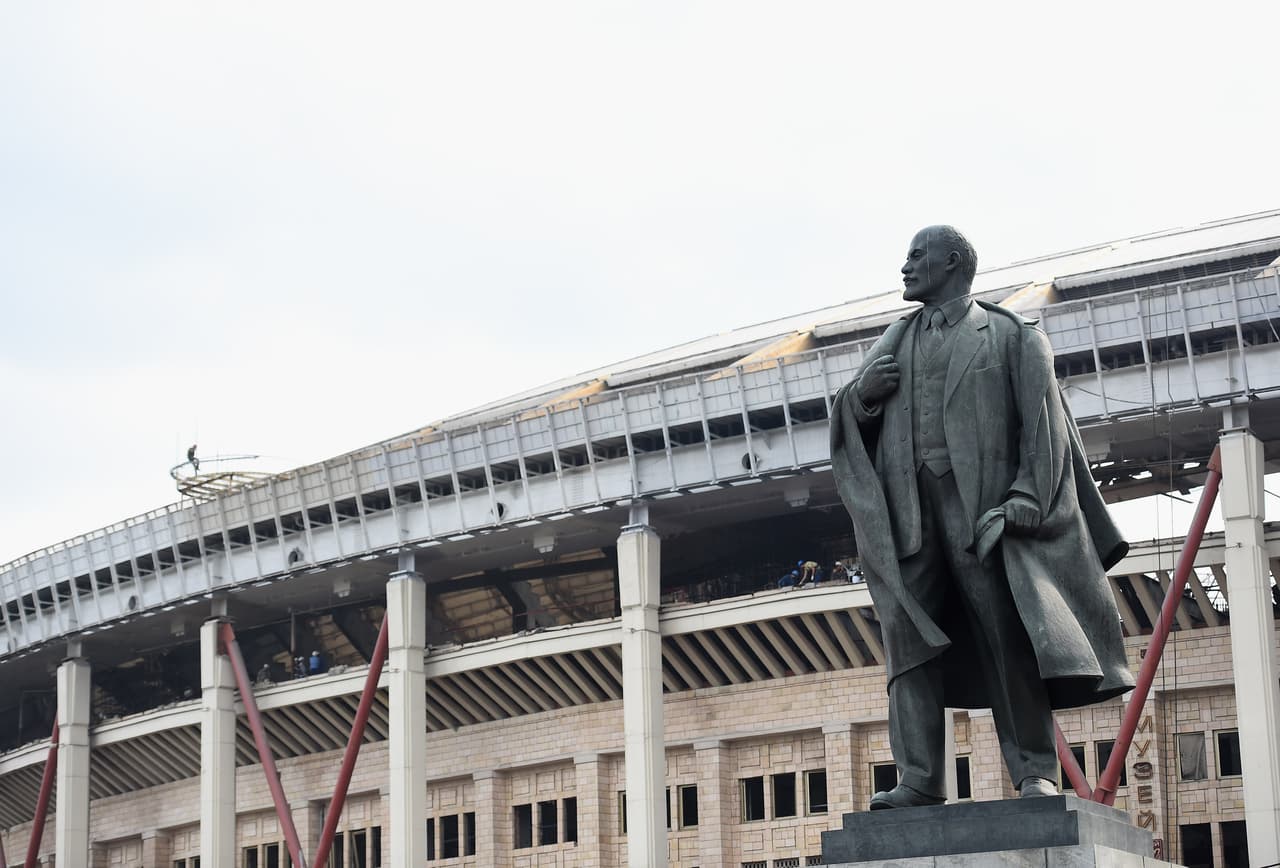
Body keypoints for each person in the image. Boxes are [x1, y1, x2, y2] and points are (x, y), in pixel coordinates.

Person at [830, 225, 1133, 809]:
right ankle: (919, 778)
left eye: (917, 256)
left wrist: (1024, 498)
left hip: (982, 516)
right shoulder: (894, 339)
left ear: (952, 263)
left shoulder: (1011, 336)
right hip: (910, 520)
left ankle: (1034, 772)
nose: (905, 266)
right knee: (906, 645)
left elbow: (1045, 432)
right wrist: (864, 395)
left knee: (1007, 637)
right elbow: (847, 417)